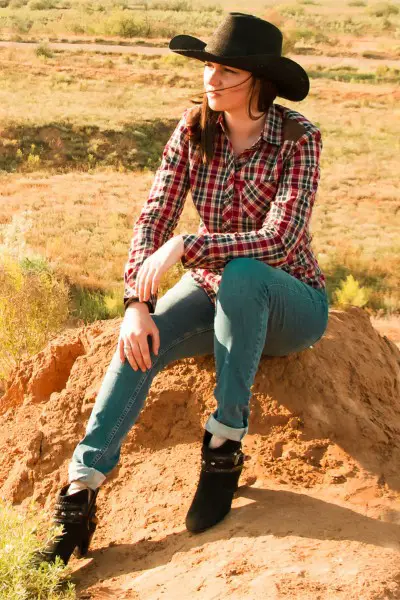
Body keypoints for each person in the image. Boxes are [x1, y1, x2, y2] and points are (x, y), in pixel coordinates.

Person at [32, 12, 329, 568]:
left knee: (243, 273)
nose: (210, 80)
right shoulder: (193, 129)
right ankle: (78, 495)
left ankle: (223, 448)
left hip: (292, 301)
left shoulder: (298, 138)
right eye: (207, 68)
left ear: (258, 82)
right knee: (140, 342)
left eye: (224, 71)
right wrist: (136, 304)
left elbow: (279, 240)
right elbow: (153, 220)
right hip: (215, 291)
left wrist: (188, 246)